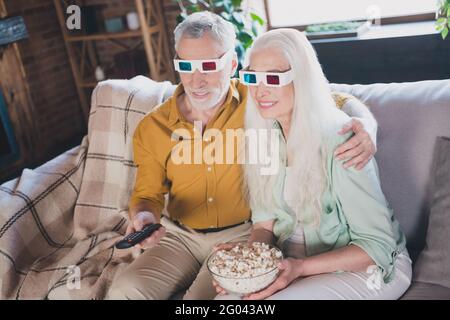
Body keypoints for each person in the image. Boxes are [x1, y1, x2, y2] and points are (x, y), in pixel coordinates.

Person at [107, 12, 378, 300]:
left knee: (204, 302)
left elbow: (326, 97)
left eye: (209, 66)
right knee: (125, 291)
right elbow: (146, 194)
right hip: (179, 237)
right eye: (186, 66)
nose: (196, 81)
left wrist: (367, 126)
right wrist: (144, 218)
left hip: (243, 235)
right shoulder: (152, 126)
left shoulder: (259, 98)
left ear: (232, 64)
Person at [213, 28, 412, 300]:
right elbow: (264, 227)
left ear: (302, 80)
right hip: (294, 263)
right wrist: (250, 265)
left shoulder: (343, 139)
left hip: (369, 267)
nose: (260, 90)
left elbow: (376, 246)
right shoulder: (261, 137)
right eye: (253, 78)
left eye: (273, 78)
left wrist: (299, 268)